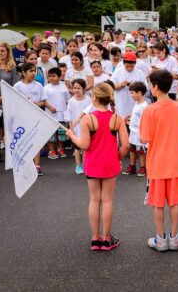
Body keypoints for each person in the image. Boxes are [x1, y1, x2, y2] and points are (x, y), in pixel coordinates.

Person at [66, 83, 129, 251]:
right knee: (107, 199)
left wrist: (72, 135)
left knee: (94, 199)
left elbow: (84, 145)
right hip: (110, 164)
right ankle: (106, 239)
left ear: (94, 98)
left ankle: (95, 239)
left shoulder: (88, 119)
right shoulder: (117, 118)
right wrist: (119, 158)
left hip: (93, 164)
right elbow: (126, 145)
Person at [140, 69, 178, 252]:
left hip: (156, 164)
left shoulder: (149, 110)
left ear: (155, 87)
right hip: (176, 162)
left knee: (158, 203)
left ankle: (160, 239)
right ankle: (175, 238)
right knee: (175, 202)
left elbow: (144, 138)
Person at [14, 63, 47, 175]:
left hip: (36, 117)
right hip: (22, 118)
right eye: (31, 71)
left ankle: (37, 166)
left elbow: (43, 101)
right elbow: (14, 102)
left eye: (35, 71)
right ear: (24, 72)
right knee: (24, 143)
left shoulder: (39, 85)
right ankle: (25, 165)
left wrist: (36, 103)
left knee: (36, 142)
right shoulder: (17, 86)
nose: (33, 73)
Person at [66, 79, 92, 174]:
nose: (76, 90)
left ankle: (86, 165)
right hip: (75, 128)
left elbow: (91, 114)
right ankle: (78, 165)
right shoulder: (71, 101)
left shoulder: (89, 100)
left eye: (78, 88)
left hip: (86, 128)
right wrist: (71, 129)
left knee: (85, 148)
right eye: (74, 88)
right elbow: (69, 117)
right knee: (77, 148)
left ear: (84, 89)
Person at [123, 82, 149, 177]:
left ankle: (143, 167)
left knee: (141, 150)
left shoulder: (144, 106)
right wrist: (130, 120)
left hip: (139, 133)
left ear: (139, 93)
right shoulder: (137, 103)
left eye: (133, 93)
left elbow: (144, 120)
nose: (131, 95)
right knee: (132, 149)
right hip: (133, 132)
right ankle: (132, 165)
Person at [44, 67, 71, 159]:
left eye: (54, 76)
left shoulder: (64, 87)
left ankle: (60, 149)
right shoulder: (46, 88)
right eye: (50, 76)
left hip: (61, 115)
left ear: (60, 77)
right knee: (51, 135)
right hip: (50, 114)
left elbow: (67, 100)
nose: (51, 78)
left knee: (61, 135)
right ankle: (51, 151)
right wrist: (50, 107)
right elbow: (44, 100)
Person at [110, 52, 147, 118]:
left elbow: (145, 89)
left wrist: (136, 86)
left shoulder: (140, 73)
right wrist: (121, 85)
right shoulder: (118, 71)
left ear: (135, 64)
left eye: (131, 66)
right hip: (120, 103)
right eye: (127, 66)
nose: (129, 68)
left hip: (135, 103)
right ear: (123, 64)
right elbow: (111, 86)